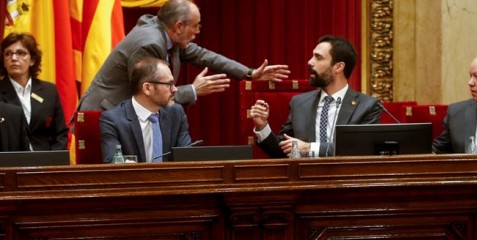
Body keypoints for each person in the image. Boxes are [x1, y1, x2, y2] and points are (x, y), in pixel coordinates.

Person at [79, 0, 290, 111]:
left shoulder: (167, 34)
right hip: (103, 115)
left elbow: (203, 56)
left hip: (119, 115)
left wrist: (249, 73)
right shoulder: (150, 43)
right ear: (179, 26)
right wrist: (193, 90)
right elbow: (147, 96)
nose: (198, 31)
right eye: (196, 26)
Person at [249, 35, 380, 158]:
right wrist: (262, 126)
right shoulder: (299, 103)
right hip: (304, 179)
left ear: (338, 67)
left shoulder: (366, 106)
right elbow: (281, 152)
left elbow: (361, 150)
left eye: (318, 57)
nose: (310, 62)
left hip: (345, 179)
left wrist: (310, 148)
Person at [100, 57, 191, 163]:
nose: (175, 89)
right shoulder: (113, 120)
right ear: (147, 88)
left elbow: (186, 159)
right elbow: (113, 162)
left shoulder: (176, 114)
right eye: (168, 84)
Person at [0, 33, 68, 150]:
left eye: (21, 53)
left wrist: (53, 164)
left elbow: (60, 134)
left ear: (32, 60)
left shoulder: (49, 91)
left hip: (46, 163)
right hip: (10, 163)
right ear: (4, 62)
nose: (14, 58)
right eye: (8, 54)